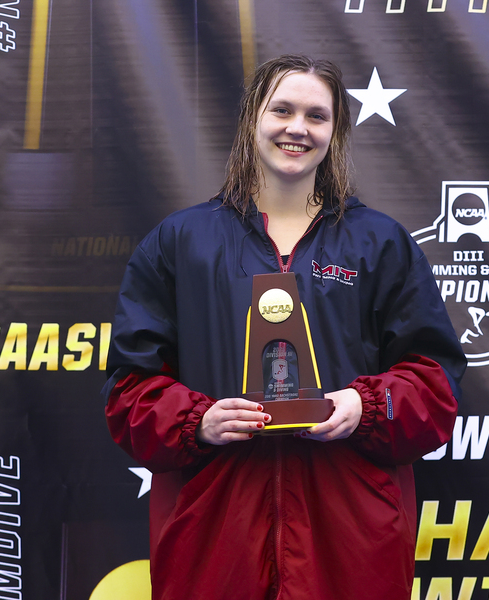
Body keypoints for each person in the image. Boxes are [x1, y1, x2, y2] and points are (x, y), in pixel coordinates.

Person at [102, 54, 466, 600]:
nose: (297, 128)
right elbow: (129, 392)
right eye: (282, 110)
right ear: (253, 119)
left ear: (335, 132)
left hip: (349, 540)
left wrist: (366, 407)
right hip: (215, 539)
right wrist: (197, 421)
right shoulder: (180, 242)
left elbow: (434, 386)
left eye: (316, 116)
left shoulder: (381, 244)